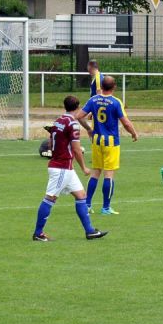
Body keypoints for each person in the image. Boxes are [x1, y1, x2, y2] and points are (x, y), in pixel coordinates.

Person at [33, 95, 107, 242]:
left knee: (81, 196)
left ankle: (90, 231)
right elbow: (76, 149)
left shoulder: (59, 120)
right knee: (50, 198)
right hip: (62, 168)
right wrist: (85, 167)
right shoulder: (73, 124)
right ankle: (38, 233)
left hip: (64, 166)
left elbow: (50, 141)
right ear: (78, 107)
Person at [76, 75, 138, 215]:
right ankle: (106, 208)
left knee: (96, 172)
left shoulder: (93, 99)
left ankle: (87, 204)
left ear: (101, 86)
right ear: (114, 87)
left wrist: (89, 129)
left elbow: (79, 116)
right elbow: (126, 122)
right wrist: (134, 133)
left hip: (97, 140)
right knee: (109, 174)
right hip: (111, 142)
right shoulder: (116, 102)